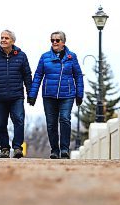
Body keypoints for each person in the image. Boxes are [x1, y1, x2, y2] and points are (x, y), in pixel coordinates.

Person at [27, 31, 84, 159]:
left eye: (57, 40)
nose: (54, 42)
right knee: (51, 124)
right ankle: (54, 150)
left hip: (67, 95)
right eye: (52, 40)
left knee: (65, 119)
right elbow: (37, 76)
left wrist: (79, 94)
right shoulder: (45, 57)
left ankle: (64, 149)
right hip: (49, 95)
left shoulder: (71, 57)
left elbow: (78, 76)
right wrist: (32, 95)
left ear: (63, 42)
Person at [0, 29, 32, 158]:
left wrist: (30, 93)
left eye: (6, 38)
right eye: (2, 38)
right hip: (0, 96)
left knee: (19, 121)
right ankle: (4, 148)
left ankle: (17, 148)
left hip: (17, 96)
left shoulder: (21, 56)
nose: (3, 40)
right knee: (1, 124)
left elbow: (27, 75)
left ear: (13, 41)